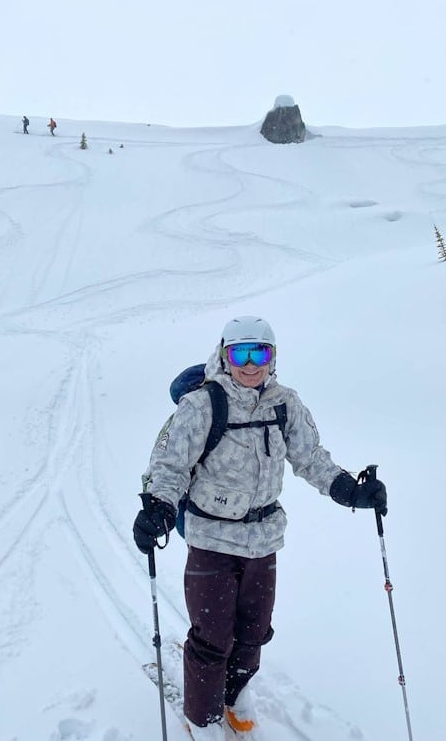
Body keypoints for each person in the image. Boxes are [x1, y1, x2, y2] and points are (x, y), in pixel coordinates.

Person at [133, 316, 387, 741]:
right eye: (240, 354)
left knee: (254, 631)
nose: (250, 365)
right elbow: (171, 466)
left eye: (260, 354)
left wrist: (348, 489)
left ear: (272, 358)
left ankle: (235, 695)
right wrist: (158, 505)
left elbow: (311, 458)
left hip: (263, 539)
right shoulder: (201, 405)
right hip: (212, 539)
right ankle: (203, 717)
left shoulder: (284, 403)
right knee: (213, 635)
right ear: (224, 354)